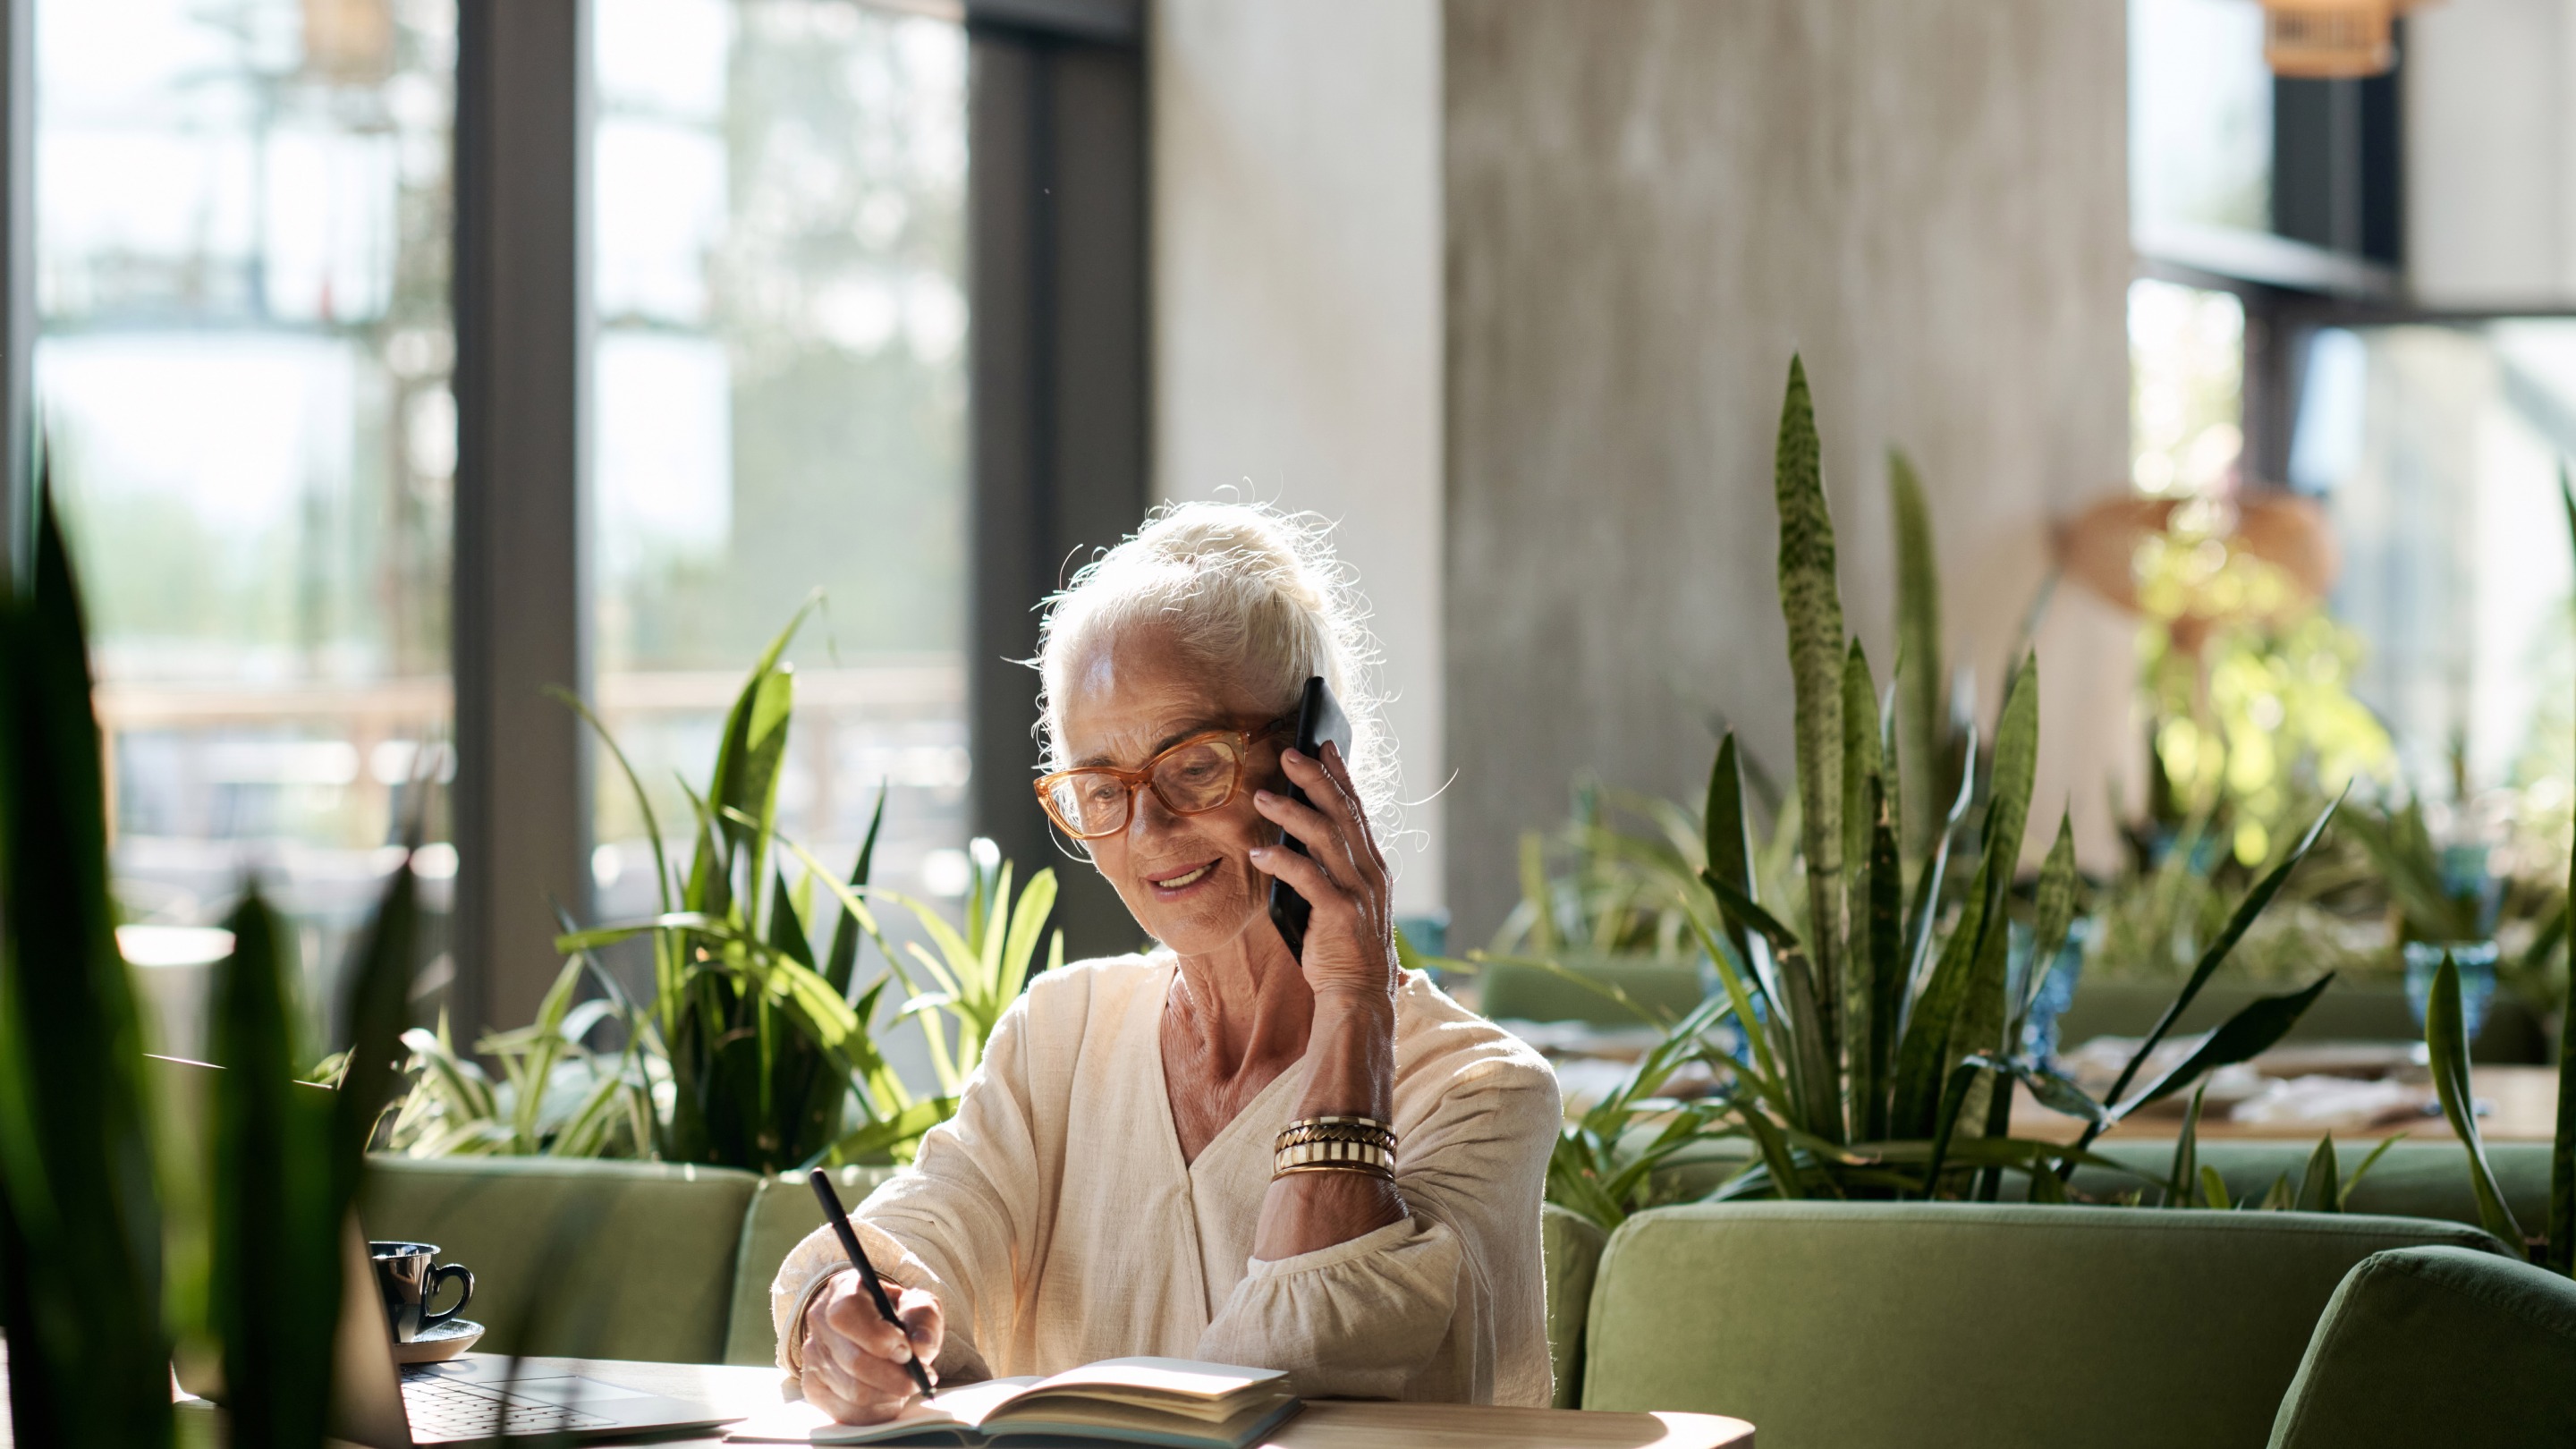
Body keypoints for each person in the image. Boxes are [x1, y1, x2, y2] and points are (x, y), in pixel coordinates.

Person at [770, 502, 1558, 1420]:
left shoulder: (1481, 1093)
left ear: (1316, 756)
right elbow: (924, 1230)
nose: (1146, 830)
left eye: (1192, 766)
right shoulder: (1058, 1036)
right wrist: (846, 1320)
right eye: (1101, 788)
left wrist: (1355, 1006)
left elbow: (1313, 1354)